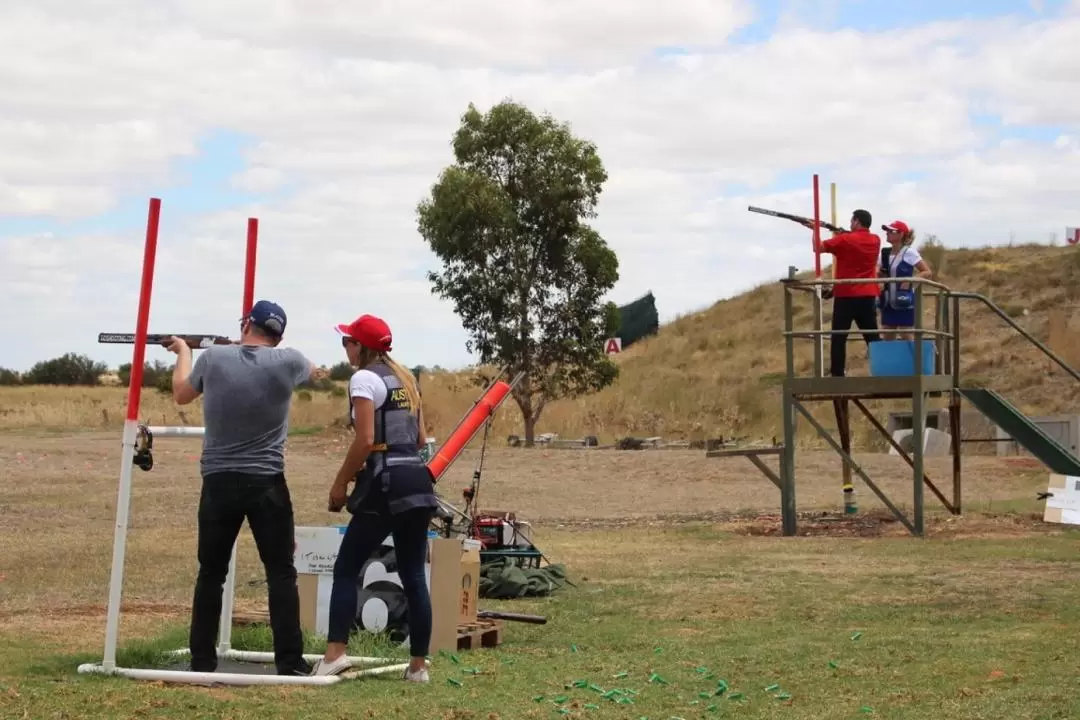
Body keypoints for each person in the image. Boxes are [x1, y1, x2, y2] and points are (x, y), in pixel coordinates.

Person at [165, 299, 321, 677]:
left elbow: (181, 394)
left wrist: (184, 352)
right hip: (267, 482)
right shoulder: (289, 361)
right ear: (279, 333)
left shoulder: (214, 358)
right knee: (281, 572)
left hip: (218, 481)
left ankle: (202, 662)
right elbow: (314, 372)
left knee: (211, 574)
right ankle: (289, 662)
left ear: (247, 323)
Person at [310, 314, 438, 681]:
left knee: (347, 568)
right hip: (417, 479)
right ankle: (418, 666)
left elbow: (365, 440)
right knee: (414, 573)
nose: (345, 348)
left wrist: (340, 484)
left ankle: (334, 656)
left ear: (360, 347)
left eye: (347, 342)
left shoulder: (363, 379)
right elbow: (418, 440)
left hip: (385, 483)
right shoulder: (407, 379)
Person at [814, 208, 882, 377]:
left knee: (838, 337)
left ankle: (838, 373)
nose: (850, 223)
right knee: (872, 337)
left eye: (852, 221)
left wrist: (814, 230)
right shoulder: (875, 239)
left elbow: (818, 248)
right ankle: (883, 369)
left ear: (857, 221)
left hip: (846, 294)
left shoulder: (845, 239)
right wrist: (842, 234)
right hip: (867, 294)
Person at [878, 220, 933, 340]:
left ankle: (914, 358)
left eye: (891, 231)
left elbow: (927, 272)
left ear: (901, 234)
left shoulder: (909, 252)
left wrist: (911, 280)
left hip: (904, 298)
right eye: (886, 230)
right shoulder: (884, 253)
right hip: (888, 298)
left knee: (906, 333)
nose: (887, 233)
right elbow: (879, 273)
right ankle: (890, 359)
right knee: (887, 334)